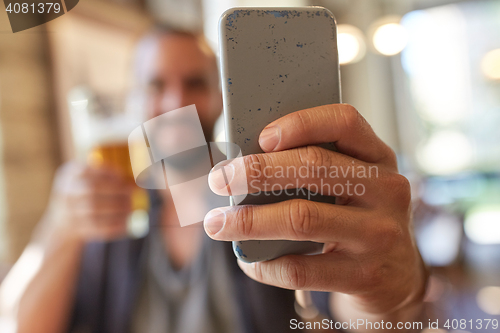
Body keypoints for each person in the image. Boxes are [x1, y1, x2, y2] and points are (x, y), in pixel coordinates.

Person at [0, 27, 427, 333]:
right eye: (155, 84)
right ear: (132, 99)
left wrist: (388, 295)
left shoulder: (265, 191)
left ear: (220, 96)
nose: (175, 102)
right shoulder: (109, 212)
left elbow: (349, 311)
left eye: (194, 83)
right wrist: (56, 229)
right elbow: (21, 324)